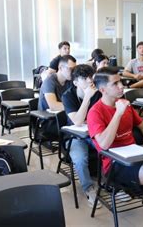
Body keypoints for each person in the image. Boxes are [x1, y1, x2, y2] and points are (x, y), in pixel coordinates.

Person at [87, 67, 143, 227]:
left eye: (121, 82)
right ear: (103, 89)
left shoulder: (125, 105)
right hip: (114, 165)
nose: (122, 86)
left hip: (135, 157)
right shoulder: (95, 112)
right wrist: (118, 114)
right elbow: (103, 144)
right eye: (115, 84)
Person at [61, 64, 102, 208]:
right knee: (80, 158)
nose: (90, 81)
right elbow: (78, 121)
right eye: (84, 78)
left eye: (91, 77)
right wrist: (87, 98)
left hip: (93, 133)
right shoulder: (68, 95)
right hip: (74, 137)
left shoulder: (98, 93)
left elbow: (100, 118)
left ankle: (113, 185)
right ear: (76, 82)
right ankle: (89, 188)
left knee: (110, 150)